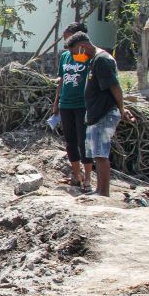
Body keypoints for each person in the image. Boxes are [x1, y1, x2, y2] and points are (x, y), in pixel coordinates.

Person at [66, 31, 135, 197]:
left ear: (83, 47)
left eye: (75, 53)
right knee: (97, 153)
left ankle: (103, 193)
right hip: (96, 113)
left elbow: (115, 86)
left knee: (101, 154)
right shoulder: (95, 60)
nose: (75, 57)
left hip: (104, 112)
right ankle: (99, 190)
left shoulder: (102, 60)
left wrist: (121, 108)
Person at [51, 22, 93, 191]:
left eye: (67, 34)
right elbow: (61, 80)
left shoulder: (89, 56)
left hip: (82, 104)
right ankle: (76, 175)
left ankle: (88, 178)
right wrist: (56, 102)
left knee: (84, 141)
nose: (64, 37)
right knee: (70, 142)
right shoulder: (65, 56)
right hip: (66, 104)